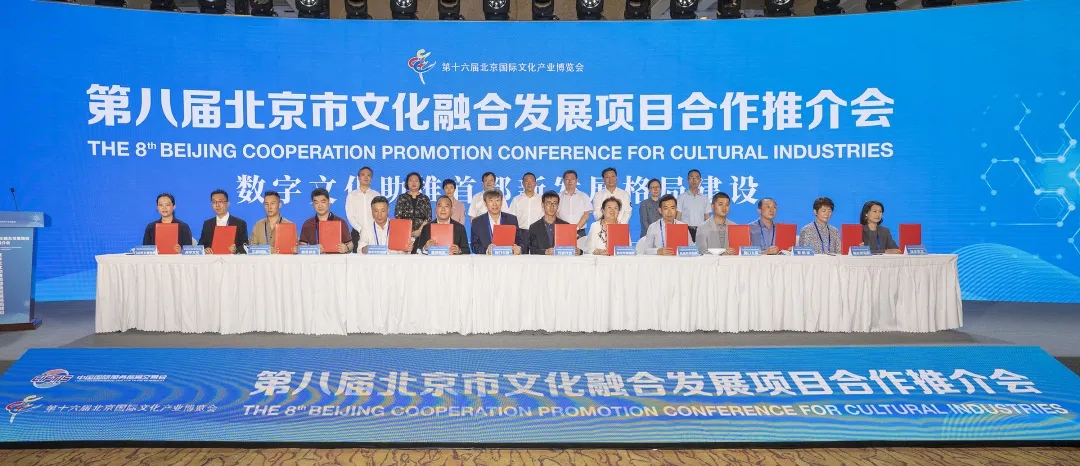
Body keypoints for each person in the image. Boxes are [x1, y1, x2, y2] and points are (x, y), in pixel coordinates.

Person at [470, 189, 526, 255]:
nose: (494, 204)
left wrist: (519, 249)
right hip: (486, 260)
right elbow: (474, 246)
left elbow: (520, 241)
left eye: (497, 200)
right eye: (491, 201)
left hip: (508, 259)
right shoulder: (477, 222)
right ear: (485, 203)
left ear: (501, 202)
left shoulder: (512, 219)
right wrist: (487, 251)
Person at [299, 188, 352, 254]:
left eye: (323, 202)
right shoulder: (307, 224)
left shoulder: (341, 222)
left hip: (336, 259)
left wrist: (346, 248)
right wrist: (314, 249)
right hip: (315, 259)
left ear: (329, 202)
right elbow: (301, 246)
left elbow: (350, 244)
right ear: (313, 205)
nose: (320, 205)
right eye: (316, 202)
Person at [528, 191, 581, 255]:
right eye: (549, 203)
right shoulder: (534, 227)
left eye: (555, 203)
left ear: (558, 206)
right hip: (542, 260)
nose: (552, 206)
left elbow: (573, 248)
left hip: (562, 260)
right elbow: (532, 250)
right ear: (542, 205)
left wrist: (579, 251)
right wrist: (545, 252)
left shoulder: (566, 225)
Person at [197, 189, 248, 254]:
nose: (217, 205)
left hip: (232, 259)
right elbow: (200, 245)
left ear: (227, 204)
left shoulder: (240, 223)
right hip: (212, 259)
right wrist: (204, 249)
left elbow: (245, 246)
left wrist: (236, 250)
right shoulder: (207, 224)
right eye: (214, 202)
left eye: (220, 201)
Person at [344, 166, 382, 242]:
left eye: (368, 175)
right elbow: (350, 215)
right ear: (358, 177)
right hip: (357, 232)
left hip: (375, 233)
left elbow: (380, 214)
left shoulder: (376, 195)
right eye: (363, 175)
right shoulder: (352, 195)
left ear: (371, 178)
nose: (366, 177)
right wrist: (360, 229)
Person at [394, 171, 432, 240]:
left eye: (416, 181)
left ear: (420, 183)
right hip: (404, 234)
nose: (413, 183)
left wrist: (419, 231)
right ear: (407, 183)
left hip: (422, 234)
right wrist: (409, 232)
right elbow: (397, 216)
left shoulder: (425, 198)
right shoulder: (402, 198)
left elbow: (428, 218)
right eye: (411, 180)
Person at [558, 170, 593, 238]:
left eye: (572, 179)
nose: (570, 181)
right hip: (563, 231)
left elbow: (586, 215)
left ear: (577, 180)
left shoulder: (584, 196)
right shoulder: (558, 196)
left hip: (580, 231)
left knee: (581, 245)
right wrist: (566, 228)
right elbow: (556, 214)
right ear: (563, 181)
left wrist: (576, 228)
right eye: (567, 179)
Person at [677, 169, 710, 242]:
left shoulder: (705, 198)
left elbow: (707, 217)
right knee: (685, 249)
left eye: (697, 178)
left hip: (701, 230)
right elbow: (678, 216)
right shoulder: (681, 197)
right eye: (691, 177)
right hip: (685, 230)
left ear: (700, 180)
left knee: (701, 249)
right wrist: (677, 231)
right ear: (687, 180)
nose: (694, 180)